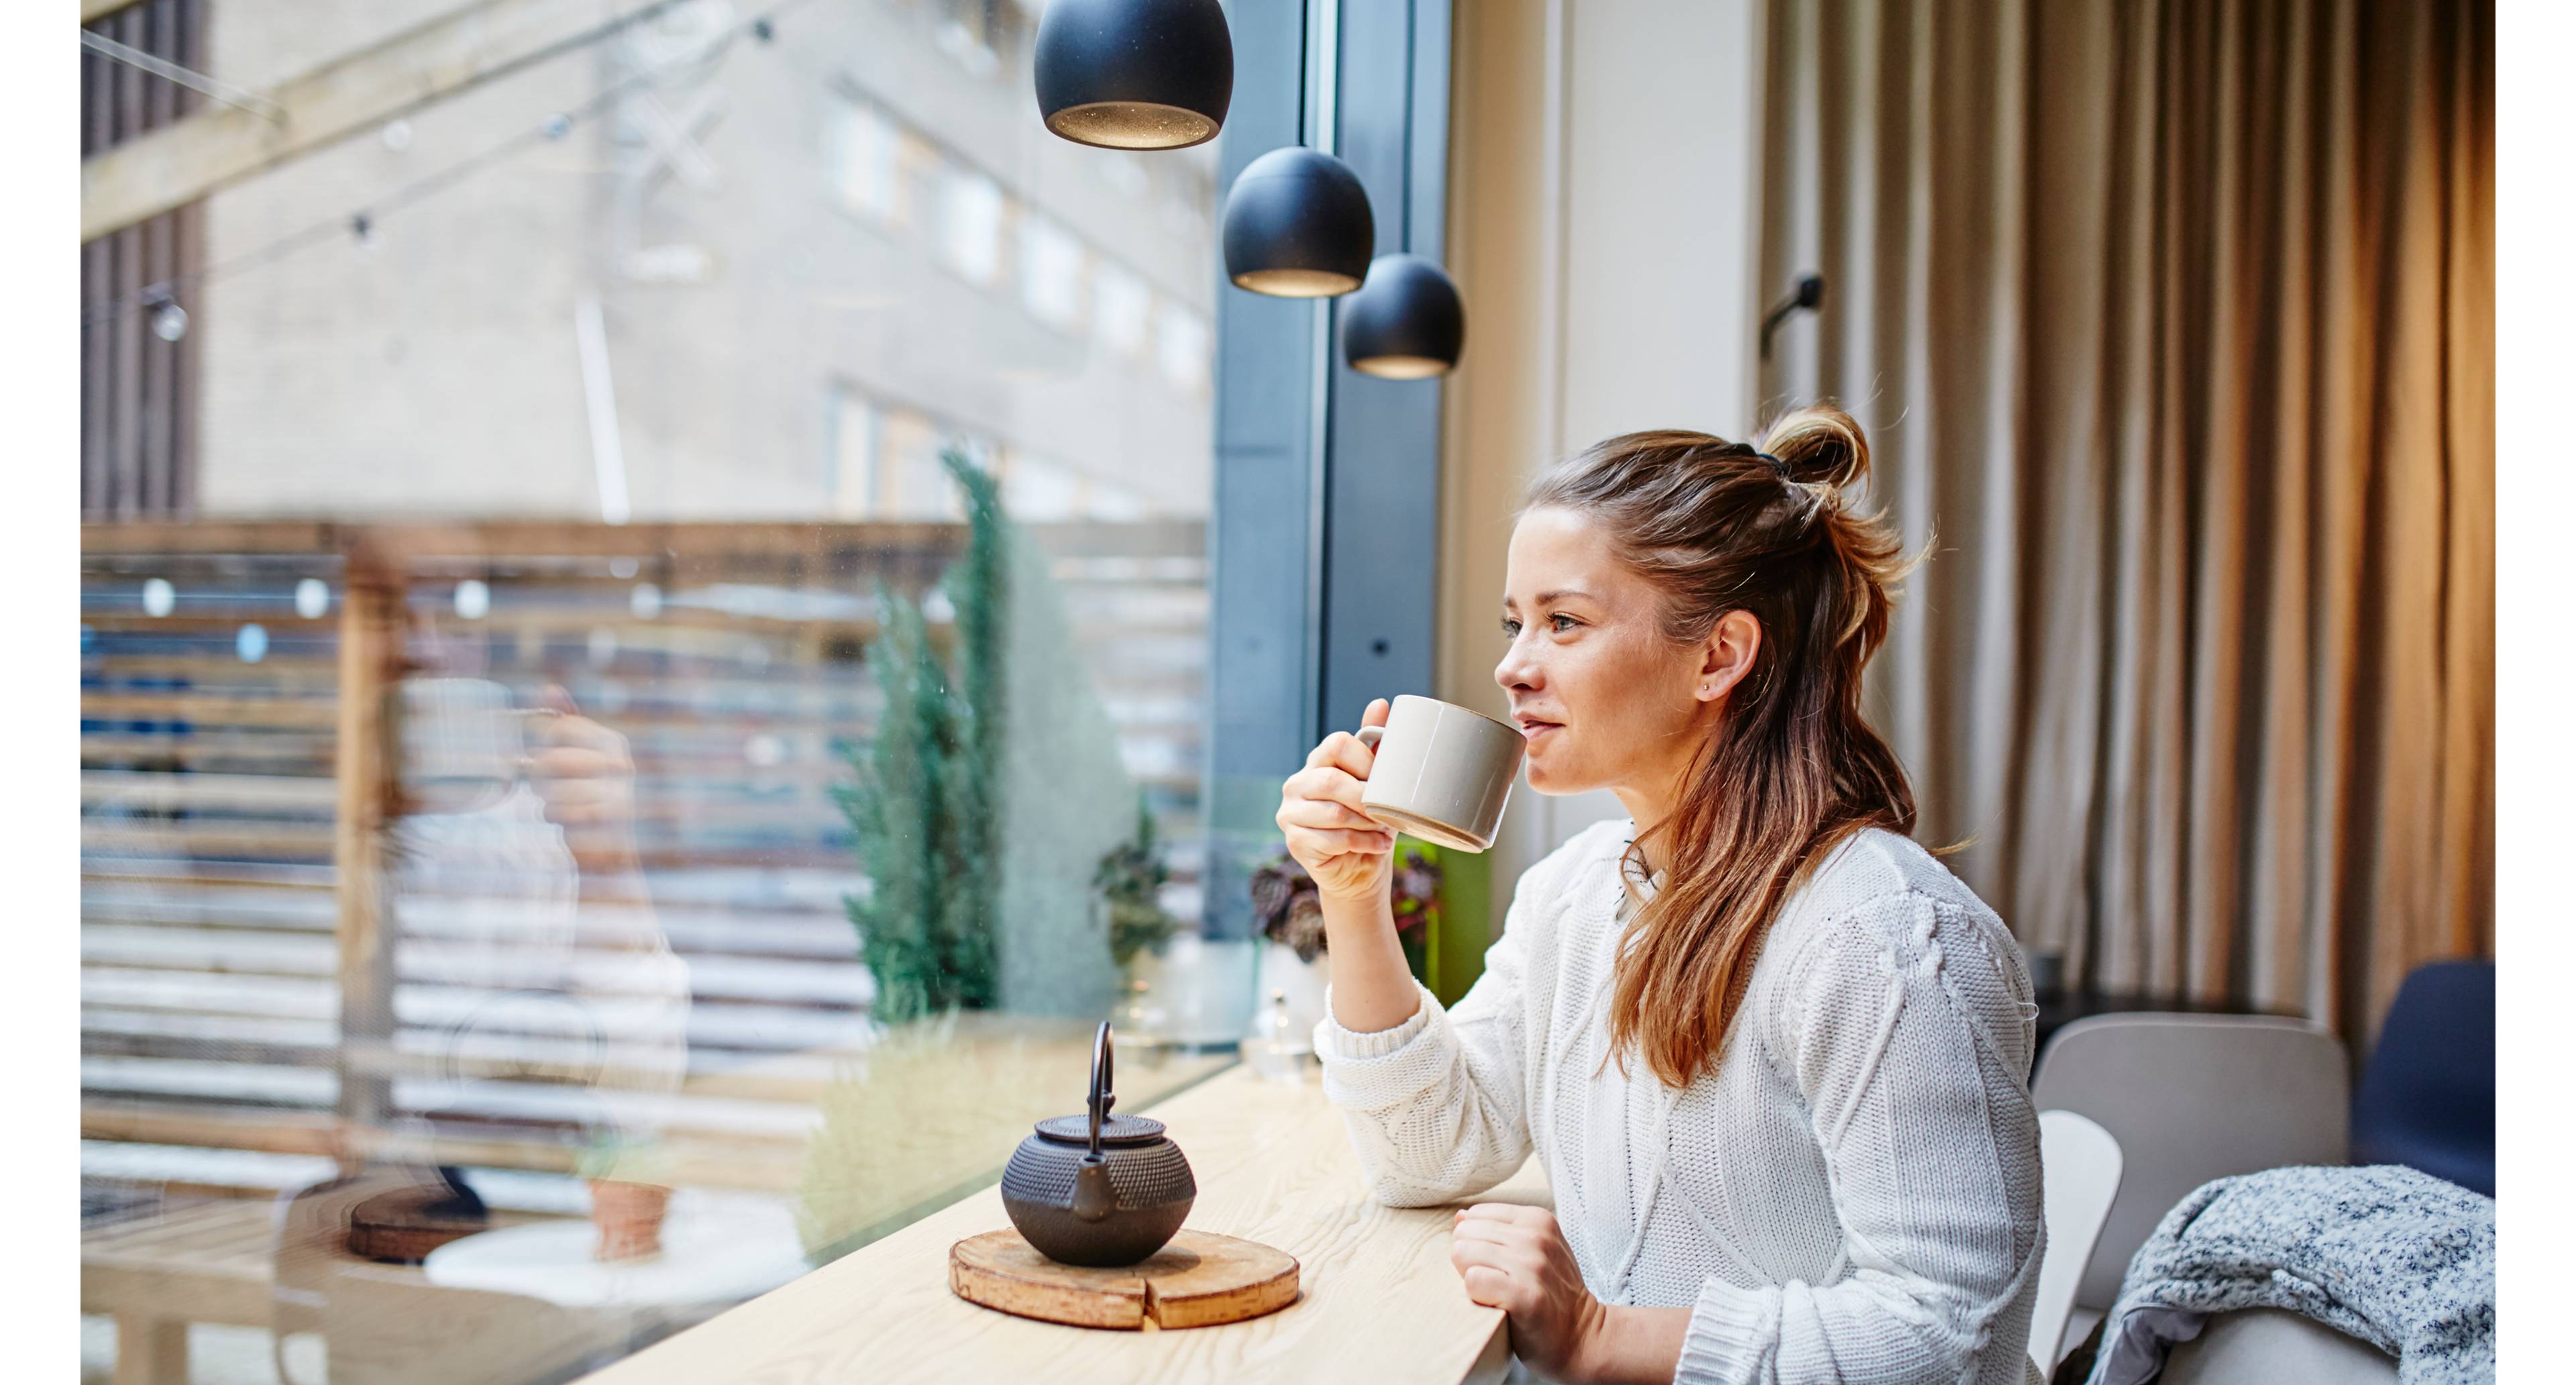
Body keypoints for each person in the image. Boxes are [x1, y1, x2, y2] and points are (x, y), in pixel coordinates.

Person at [1275, 406, 2045, 1385]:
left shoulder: (1890, 939)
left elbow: (1954, 1341)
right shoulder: (1576, 898)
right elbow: (1434, 1153)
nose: (1513, 666)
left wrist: (1602, 1339)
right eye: (1515, 623)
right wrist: (1353, 894)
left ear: (1719, 655)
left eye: (1565, 622)